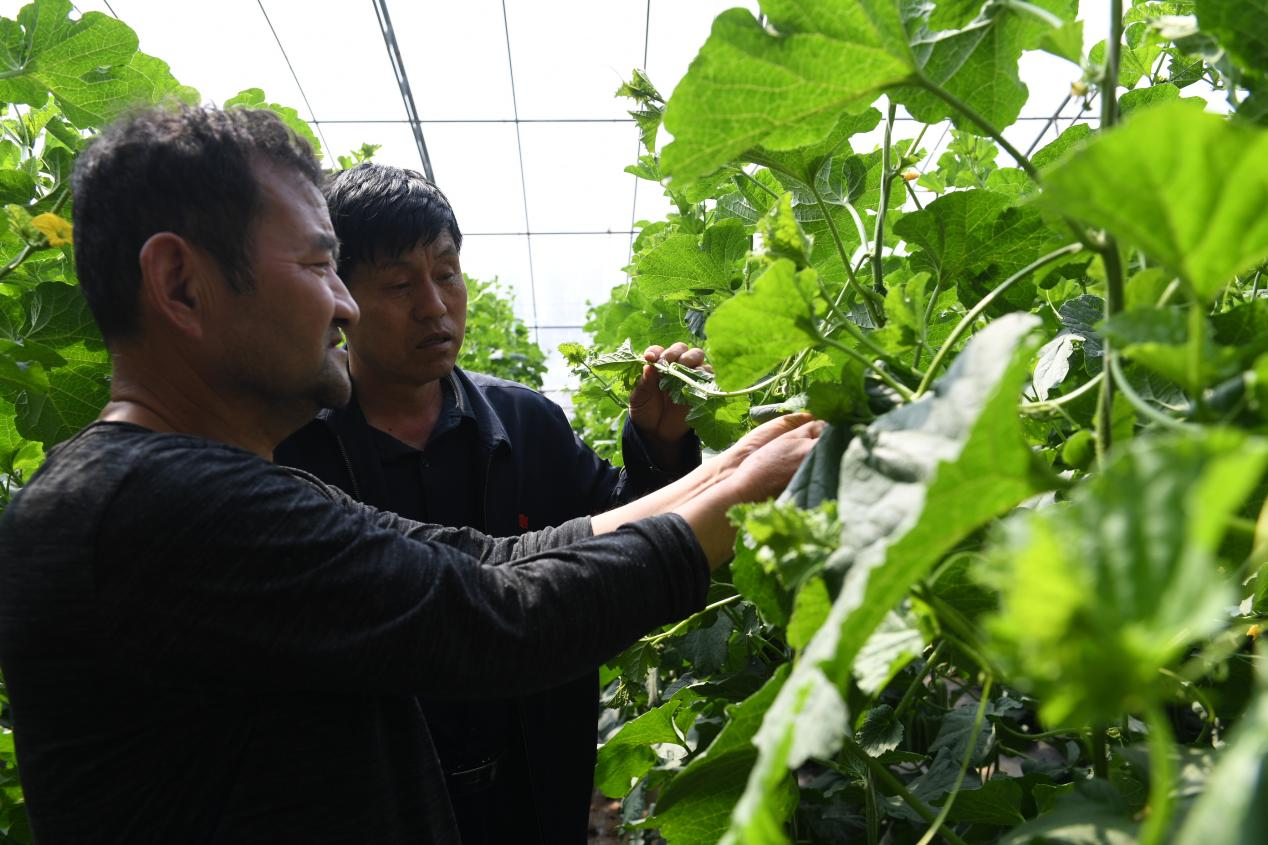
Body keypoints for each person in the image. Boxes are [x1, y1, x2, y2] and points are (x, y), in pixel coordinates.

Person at [0, 105, 820, 844]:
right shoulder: (162, 507)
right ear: (182, 284)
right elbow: (496, 615)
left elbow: (487, 561)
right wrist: (749, 490)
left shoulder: (162, 485)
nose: (345, 306)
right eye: (319, 267)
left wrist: (742, 462)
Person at [274, 163, 706, 844]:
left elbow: (624, 548)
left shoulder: (527, 422)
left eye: (447, 273)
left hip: (535, 794)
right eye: (399, 284)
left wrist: (659, 444)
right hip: (380, 808)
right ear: (341, 296)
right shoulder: (293, 451)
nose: (434, 306)